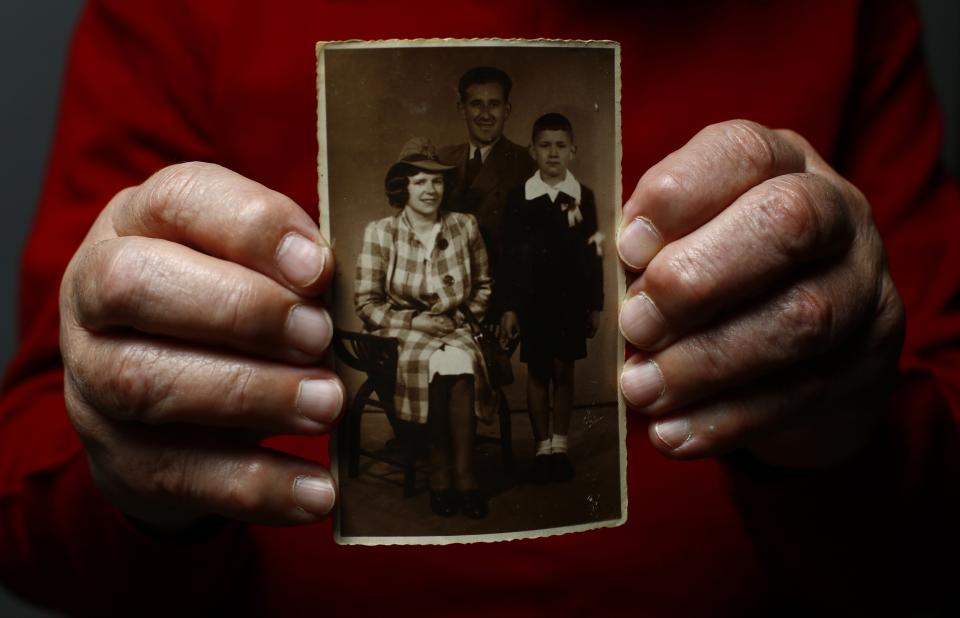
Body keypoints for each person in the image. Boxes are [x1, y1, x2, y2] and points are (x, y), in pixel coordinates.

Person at [1, 1, 958, 615]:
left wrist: (847, 435)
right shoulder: (172, 19)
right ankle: (453, 470)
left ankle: (470, 468)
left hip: (505, 328)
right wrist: (137, 468)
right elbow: (31, 507)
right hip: (393, 354)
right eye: (415, 180)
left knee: (487, 364)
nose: (429, 189)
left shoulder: (851, 15)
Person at [354, 137, 494, 519]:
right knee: (431, 366)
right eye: (420, 181)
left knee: (461, 364)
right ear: (403, 187)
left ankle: (464, 477)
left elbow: (483, 285)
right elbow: (366, 303)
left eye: (437, 181)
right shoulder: (381, 233)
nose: (430, 190)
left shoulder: (464, 226)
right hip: (404, 331)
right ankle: (439, 475)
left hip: (455, 325)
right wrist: (415, 321)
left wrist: (462, 318)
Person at [501, 113, 603, 483]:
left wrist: (596, 304)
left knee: (564, 369)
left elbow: (594, 253)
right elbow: (509, 257)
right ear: (532, 150)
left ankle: (560, 445)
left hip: (571, 300)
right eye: (545, 145)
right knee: (539, 371)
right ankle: (542, 447)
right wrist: (509, 307)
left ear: (573, 151)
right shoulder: (520, 197)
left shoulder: (583, 196)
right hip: (533, 301)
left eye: (561, 145)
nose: (553, 153)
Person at [438, 66, 537, 309]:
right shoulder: (441, 159)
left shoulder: (524, 163)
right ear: (462, 108)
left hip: (495, 298)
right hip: (441, 294)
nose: (485, 114)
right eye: (476, 104)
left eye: (493, 104)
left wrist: (509, 307)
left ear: (507, 110)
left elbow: (526, 247)